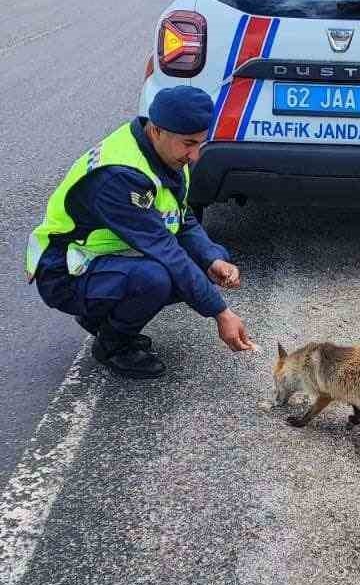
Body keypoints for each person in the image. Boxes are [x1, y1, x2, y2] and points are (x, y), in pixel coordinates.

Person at [26, 85, 257, 381]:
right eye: (189, 143)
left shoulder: (165, 155)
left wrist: (212, 258)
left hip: (104, 259)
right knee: (155, 278)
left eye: (201, 142)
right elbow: (166, 249)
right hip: (64, 271)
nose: (196, 155)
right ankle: (111, 345)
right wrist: (220, 312)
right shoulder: (121, 176)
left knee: (198, 265)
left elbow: (181, 219)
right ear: (157, 130)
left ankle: (103, 317)